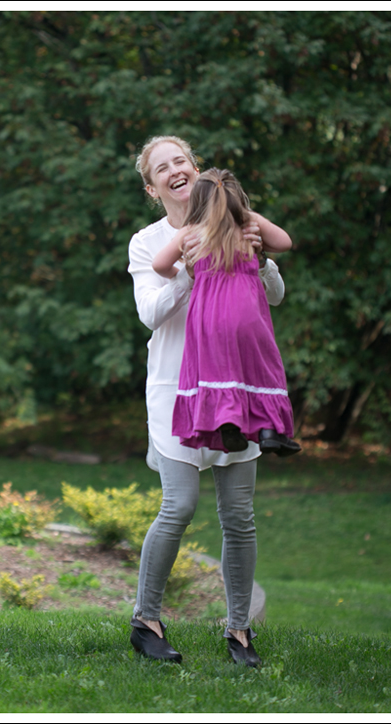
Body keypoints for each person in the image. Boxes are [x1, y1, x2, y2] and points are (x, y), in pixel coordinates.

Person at [126, 136, 292, 667]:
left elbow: (274, 293)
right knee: (178, 505)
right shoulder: (148, 242)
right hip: (176, 389)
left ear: (196, 170)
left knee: (238, 515)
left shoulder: (235, 216)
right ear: (153, 188)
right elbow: (151, 312)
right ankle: (146, 620)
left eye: (181, 160)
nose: (176, 170)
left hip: (235, 392)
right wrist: (190, 272)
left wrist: (259, 256)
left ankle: (239, 630)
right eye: (162, 168)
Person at [151, 168, 300, 457]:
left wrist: (185, 272)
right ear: (236, 196)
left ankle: (227, 423)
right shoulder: (248, 223)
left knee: (219, 371)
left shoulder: (191, 232)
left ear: (197, 201)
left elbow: (159, 265)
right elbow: (285, 242)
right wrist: (254, 226)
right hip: (247, 313)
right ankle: (270, 430)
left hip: (207, 318)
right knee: (261, 368)